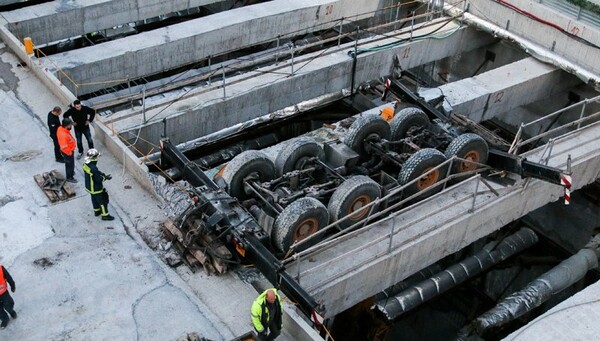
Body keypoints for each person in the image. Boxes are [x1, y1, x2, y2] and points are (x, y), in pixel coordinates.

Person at [83, 149, 114, 221]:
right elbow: (99, 179)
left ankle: (97, 211)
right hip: (96, 188)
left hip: (89, 187)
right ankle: (105, 215)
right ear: (94, 158)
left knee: (94, 199)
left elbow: (95, 173)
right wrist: (105, 178)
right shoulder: (93, 168)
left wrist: (101, 173)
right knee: (102, 201)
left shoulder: (86, 164)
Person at [57, 118, 77, 183]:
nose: (71, 126)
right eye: (70, 125)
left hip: (68, 151)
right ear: (67, 125)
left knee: (70, 164)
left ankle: (71, 173)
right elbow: (64, 147)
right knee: (69, 165)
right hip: (68, 152)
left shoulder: (61, 128)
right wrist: (70, 153)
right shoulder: (63, 135)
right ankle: (69, 177)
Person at [0, 264, 16, 330]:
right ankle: (5, 319)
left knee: (9, 304)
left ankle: (11, 311)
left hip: (4, 292)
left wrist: (12, 285)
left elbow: (8, 277)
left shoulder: (1, 268)